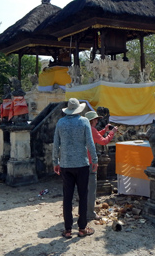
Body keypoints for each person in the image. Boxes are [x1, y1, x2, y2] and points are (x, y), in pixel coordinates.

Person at [53, 98, 98, 239]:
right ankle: (82, 228)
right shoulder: (84, 121)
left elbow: (56, 144)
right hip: (82, 164)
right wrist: (95, 160)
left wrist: (55, 161)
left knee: (67, 197)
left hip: (66, 165)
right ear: (79, 109)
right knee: (83, 196)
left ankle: (67, 230)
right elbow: (90, 143)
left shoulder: (61, 123)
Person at [84, 110, 116, 221]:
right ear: (93, 120)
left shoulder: (86, 128)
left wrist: (104, 130)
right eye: (96, 119)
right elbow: (103, 142)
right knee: (92, 189)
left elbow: (96, 136)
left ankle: (84, 210)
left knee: (84, 189)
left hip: (82, 162)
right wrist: (112, 133)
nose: (97, 121)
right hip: (90, 162)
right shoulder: (91, 129)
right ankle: (90, 213)